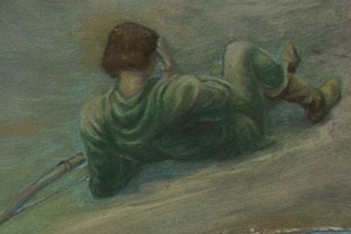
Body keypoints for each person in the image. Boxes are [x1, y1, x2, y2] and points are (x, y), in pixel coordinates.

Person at [73, 18, 337, 203]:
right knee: (239, 52)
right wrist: (172, 71)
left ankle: (280, 75)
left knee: (219, 76)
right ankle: (315, 100)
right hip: (240, 134)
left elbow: (104, 186)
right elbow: (228, 96)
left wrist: (134, 152)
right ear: (153, 59)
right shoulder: (178, 91)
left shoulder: (94, 114)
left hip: (180, 145)